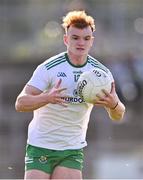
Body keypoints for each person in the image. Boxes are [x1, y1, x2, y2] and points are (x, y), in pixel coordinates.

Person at [15, 10, 125, 179]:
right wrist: (46, 98)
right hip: (40, 145)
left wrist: (114, 105)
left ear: (91, 42)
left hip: (71, 149)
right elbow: (20, 103)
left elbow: (118, 115)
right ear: (66, 39)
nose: (81, 42)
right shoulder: (50, 68)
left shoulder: (102, 74)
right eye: (75, 38)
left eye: (86, 38)